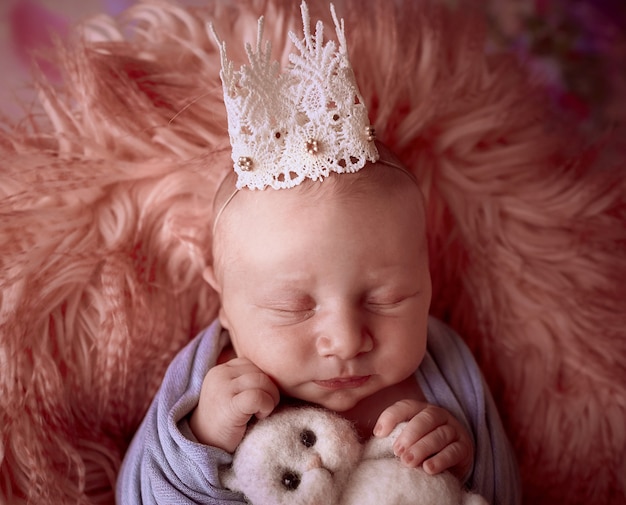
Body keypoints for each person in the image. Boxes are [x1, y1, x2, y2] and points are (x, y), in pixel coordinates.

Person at [116, 2, 521, 504]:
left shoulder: (444, 371)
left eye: (387, 298)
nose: (347, 340)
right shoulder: (206, 386)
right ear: (225, 306)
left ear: (427, 279)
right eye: (293, 307)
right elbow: (136, 493)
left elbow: (504, 491)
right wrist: (199, 439)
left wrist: (461, 458)